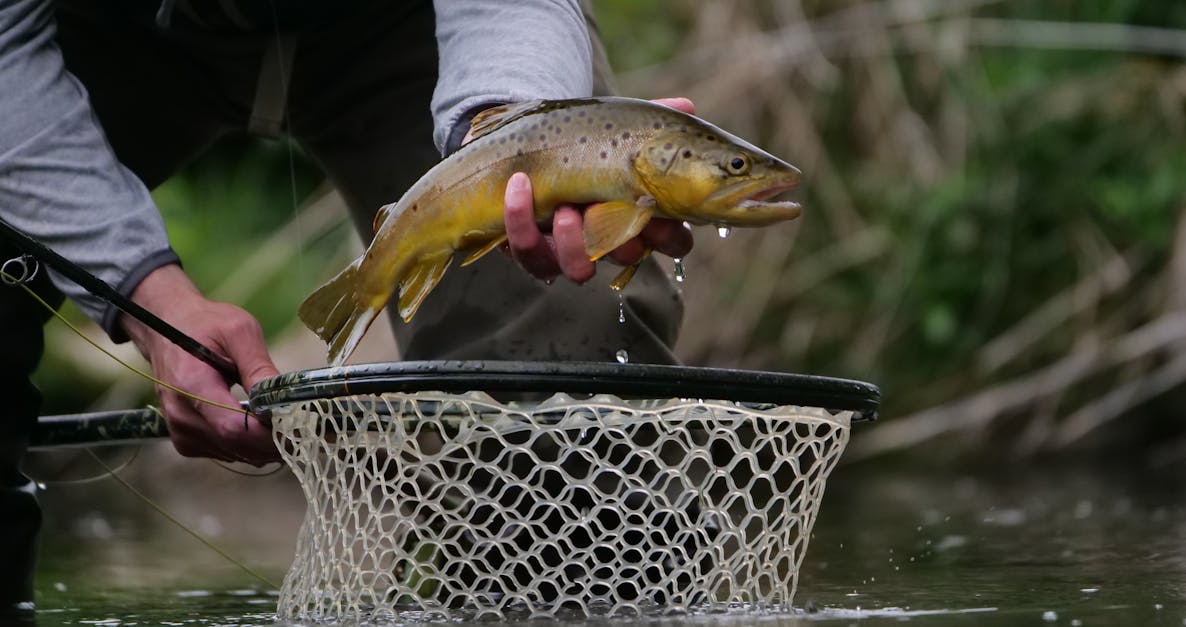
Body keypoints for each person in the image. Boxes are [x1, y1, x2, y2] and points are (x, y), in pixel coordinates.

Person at [0, 0, 696, 615]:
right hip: (91, 25)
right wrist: (144, 287)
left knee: (568, 322)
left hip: (402, 19)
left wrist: (517, 144)